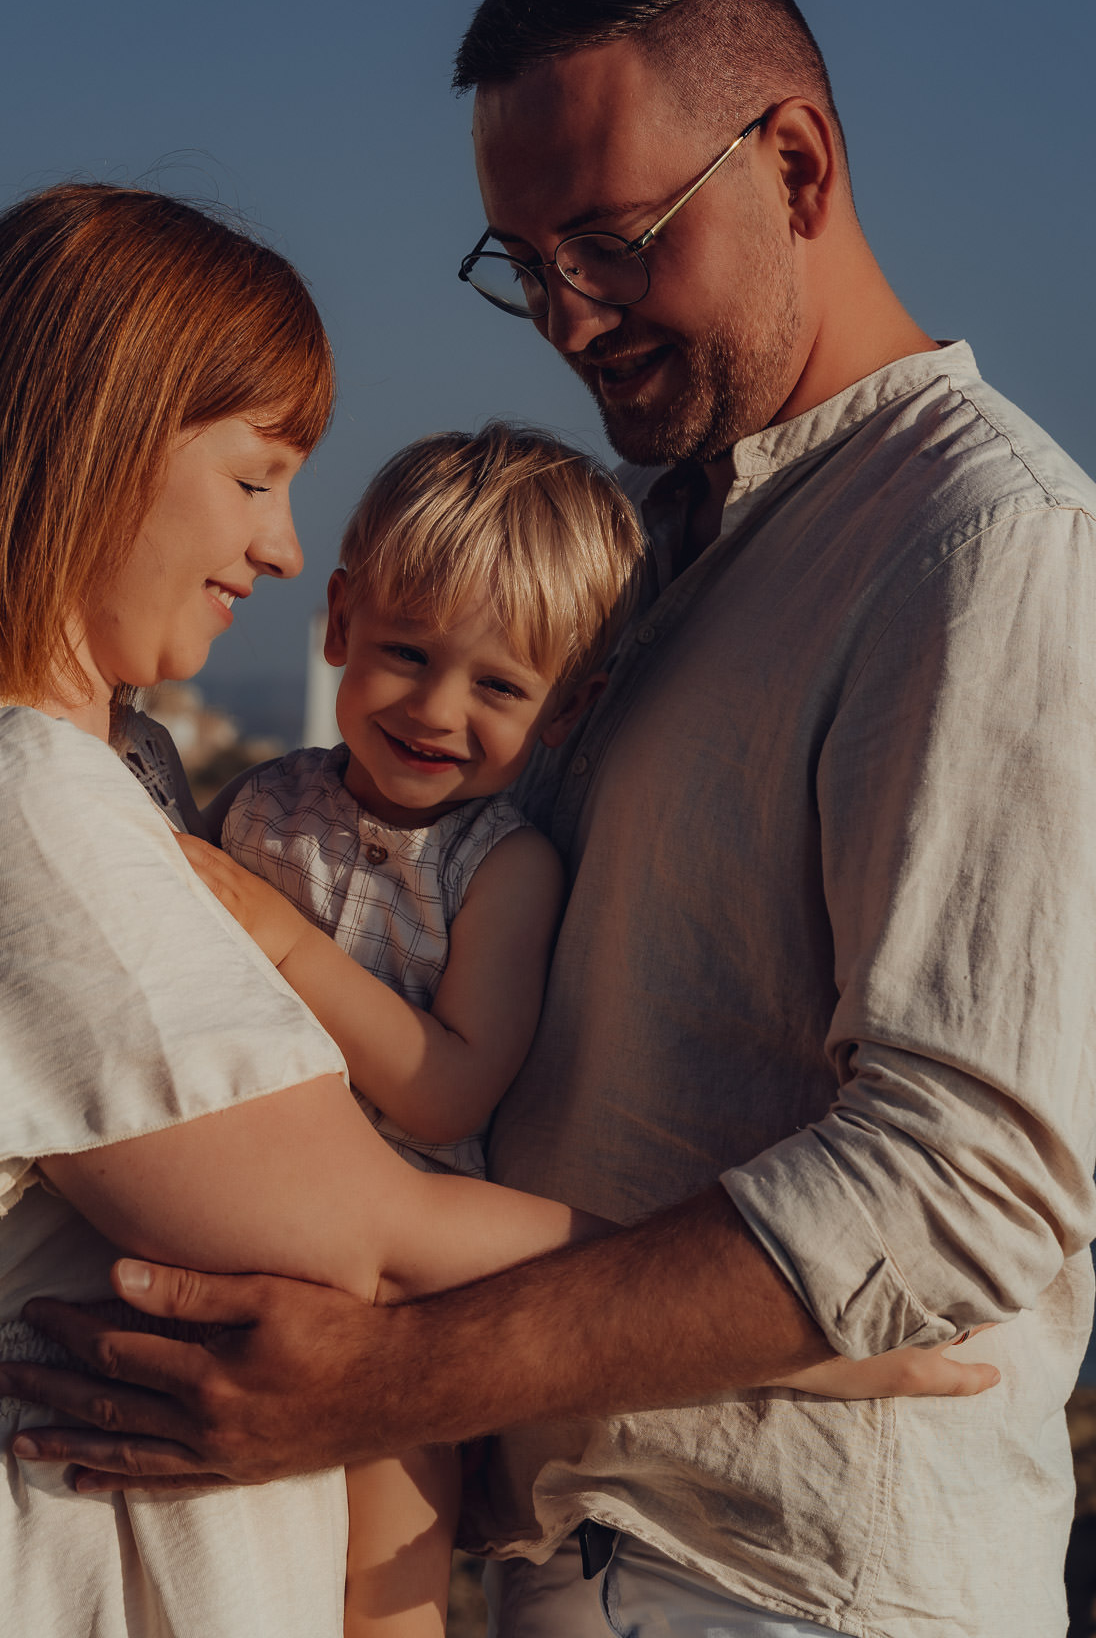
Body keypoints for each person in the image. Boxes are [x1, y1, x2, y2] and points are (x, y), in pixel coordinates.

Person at [0, 0, 1096, 1638]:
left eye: (611, 241)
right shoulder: (633, 548)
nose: (566, 317)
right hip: (555, 1554)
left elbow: (961, 1181)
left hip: (793, 1583)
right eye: (521, 260)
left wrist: (390, 1375)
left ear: (796, 164)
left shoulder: (986, 543)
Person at [0, 182, 618, 1638]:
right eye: (256, 480)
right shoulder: (13, 798)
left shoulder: (23, 762)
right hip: (61, 1554)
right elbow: (368, 1236)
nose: (285, 550)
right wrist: (789, 1314)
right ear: (95, 440)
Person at [193, 422, 988, 1637]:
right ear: (339, 621)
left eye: (498, 687)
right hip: (263, 1213)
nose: (436, 709)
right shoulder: (262, 805)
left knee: (383, 1578)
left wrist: (287, 947)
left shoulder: (499, 868)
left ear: (569, 708)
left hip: (420, 1256)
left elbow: (450, 1089)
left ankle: (835, 1356)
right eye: (406, 652)